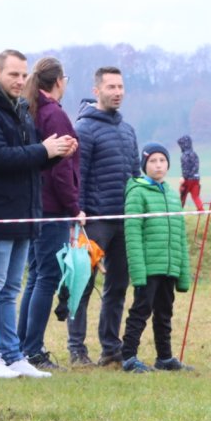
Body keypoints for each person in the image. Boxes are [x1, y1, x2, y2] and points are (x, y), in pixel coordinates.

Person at [0, 49, 75, 379]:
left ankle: (13, 356)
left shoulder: (21, 109)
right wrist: (44, 150)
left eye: (24, 75)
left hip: (22, 214)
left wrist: (55, 154)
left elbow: (27, 160)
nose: (20, 80)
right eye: (13, 74)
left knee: (10, 289)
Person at [70, 66, 138, 366]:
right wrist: (78, 212)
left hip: (124, 221)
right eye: (111, 87)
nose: (117, 92)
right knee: (82, 285)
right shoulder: (84, 129)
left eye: (120, 87)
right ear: (96, 91)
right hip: (94, 221)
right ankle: (77, 349)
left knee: (118, 286)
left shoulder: (128, 130)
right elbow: (78, 175)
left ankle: (111, 348)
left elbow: (135, 175)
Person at [20, 57, 82, 369]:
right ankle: (32, 348)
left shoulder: (34, 109)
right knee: (47, 277)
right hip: (53, 207)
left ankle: (22, 345)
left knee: (36, 276)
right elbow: (60, 170)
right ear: (59, 81)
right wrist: (74, 207)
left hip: (36, 205)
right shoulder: (54, 115)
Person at [121, 143, 195, 371]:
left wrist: (182, 271)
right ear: (144, 165)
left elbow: (180, 235)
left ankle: (164, 357)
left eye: (162, 160)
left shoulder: (172, 195)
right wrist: (138, 271)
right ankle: (128, 356)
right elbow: (133, 234)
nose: (158, 165)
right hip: (148, 266)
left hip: (169, 265)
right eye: (153, 161)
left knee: (165, 313)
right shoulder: (137, 193)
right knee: (141, 310)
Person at [177, 134, 202, 211]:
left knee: (183, 196)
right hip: (196, 179)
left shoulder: (184, 155)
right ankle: (201, 210)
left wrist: (183, 177)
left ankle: (179, 211)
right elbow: (196, 166)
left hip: (187, 180)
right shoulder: (194, 154)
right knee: (196, 196)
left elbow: (185, 168)